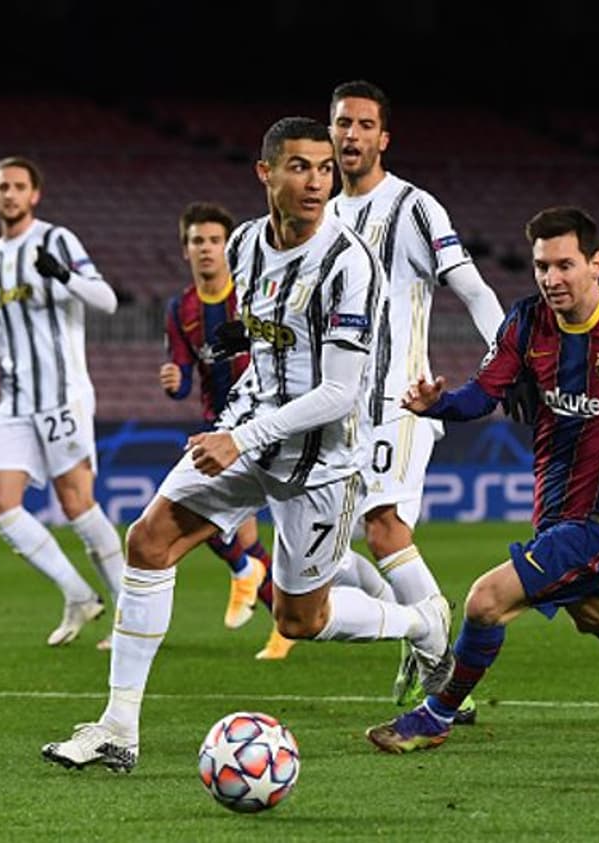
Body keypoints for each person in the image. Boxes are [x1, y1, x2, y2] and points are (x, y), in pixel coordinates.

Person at [42, 117, 453, 772]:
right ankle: (118, 727)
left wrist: (240, 436)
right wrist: (238, 364)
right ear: (266, 172)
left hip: (319, 462)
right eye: (299, 166)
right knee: (148, 540)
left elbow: (339, 392)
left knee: (299, 620)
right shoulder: (244, 244)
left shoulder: (350, 263)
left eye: (324, 168)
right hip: (250, 432)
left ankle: (422, 623)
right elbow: (267, 334)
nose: (316, 181)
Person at [365, 205, 599, 754]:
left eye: (565, 265)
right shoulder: (525, 323)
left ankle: (436, 715)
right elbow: (482, 395)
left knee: (485, 601)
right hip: (554, 510)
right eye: (542, 266)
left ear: (595, 265)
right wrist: (436, 404)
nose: (551, 278)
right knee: (596, 612)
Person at [325, 80, 507, 714]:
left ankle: (444, 680)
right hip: (335, 409)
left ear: (384, 138)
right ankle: (418, 624)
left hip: (398, 400)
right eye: (342, 123)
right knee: (324, 550)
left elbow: (473, 289)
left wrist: (504, 364)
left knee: (384, 529)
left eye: (363, 125)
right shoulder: (323, 213)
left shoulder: (412, 207)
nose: (351, 134)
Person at [0, 156, 123, 649]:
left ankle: (129, 612)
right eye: (2, 186)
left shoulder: (57, 240)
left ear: (34, 194)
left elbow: (107, 299)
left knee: (77, 504)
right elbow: (7, 333)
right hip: (16, 400)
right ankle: (78, 594)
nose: (9, 194)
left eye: (18, 186)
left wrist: (64, 276)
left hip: (62, 395)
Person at [160, 200, 291, 660]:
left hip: (267, 422)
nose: (206, 249)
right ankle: (270, 606)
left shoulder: (253, 291)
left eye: (215, 240)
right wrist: (174, 382)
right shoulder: (181, 308)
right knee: (206, 516)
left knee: (281, 537)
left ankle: (259, 586)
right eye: (197, 241)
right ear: (185, 249)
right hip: (217, 425)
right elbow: (182, 371)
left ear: (228, 246)